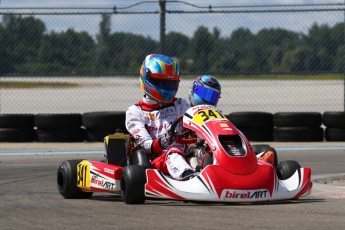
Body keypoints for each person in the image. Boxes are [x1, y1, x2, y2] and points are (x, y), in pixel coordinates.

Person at [125, 54, 195, 180]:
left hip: (186, 156)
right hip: (155, 163)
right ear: (147, 80)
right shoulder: (135, 112)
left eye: (170, 83)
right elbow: (145, 145)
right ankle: (189, 178)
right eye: (161, 83)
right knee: (174, 152)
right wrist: (163, 142)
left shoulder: (180, 104)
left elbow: (196, 119)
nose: (166, 88)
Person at [187, 75, 277, 168]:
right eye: (206, 94)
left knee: (269, 152)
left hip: (218, 147)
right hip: (196, 151)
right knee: (204, 156)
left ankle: (247, 163)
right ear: (195, 91)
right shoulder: (186, 113)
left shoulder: (217, 115)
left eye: (213, 96)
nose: (209, 99)